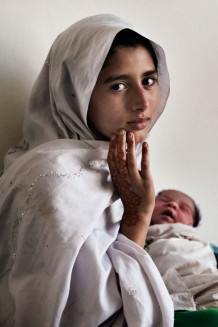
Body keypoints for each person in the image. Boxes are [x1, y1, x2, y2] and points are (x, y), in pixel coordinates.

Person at [0, 14, 174, 326]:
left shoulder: (111, 162)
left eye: (148, 81)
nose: (142, 102)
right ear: (76, 94)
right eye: (118, 85)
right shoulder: (55, 181)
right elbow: (90, 317)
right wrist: (137, 218)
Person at [146, 189, 218, 326]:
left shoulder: (202, 245)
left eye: (184, 209)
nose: (172, 204)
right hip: (162, 303)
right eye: (164, 200)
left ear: (191, 224)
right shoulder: (126, 233)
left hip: (205, 290)